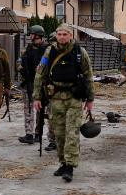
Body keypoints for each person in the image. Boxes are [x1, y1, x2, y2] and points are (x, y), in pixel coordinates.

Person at [33, 24, 94, 183]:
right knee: (58, 133)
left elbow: (88, 76)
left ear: (70, 36)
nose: (61, 37)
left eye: (64, 34)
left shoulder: (80, 52)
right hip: (56, 98)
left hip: (74, 97)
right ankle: (63, 162)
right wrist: (37, 97)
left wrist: (90, 99)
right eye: (59, 34)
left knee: (72, 132)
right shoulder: (49, 51)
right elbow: (40, 74)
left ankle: (70, 167)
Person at [18, 25, 48, 144]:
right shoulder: (28, 48)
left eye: (32, 34)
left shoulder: (47, 49)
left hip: (42, 84)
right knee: (28, 109)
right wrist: (20, 68)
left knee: (41, 110)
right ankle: (29, 134)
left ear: (38, 35)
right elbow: (19, 62)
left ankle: (38, 133)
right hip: (28, 82)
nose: (30, 36)